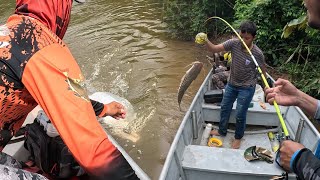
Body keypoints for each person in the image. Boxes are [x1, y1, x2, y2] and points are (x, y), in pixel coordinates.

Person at [0, 0, 139, 179]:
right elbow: (93, 152)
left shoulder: (8, 32)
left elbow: (66, 96)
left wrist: (105, 109)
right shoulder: (40, 45)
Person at [205, 20, 266, 149]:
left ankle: (238, 137)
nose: (243, 40)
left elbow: (263, 71)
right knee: (225, 107)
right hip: (232, 84)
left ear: (253, 37)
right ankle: (222, 131)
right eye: (241, 36)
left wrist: (266, 88)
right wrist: (205, 40)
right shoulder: (234, 43)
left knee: (240, 114)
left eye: (247, 38)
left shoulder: (257, 54)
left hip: (247, 88)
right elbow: (215, 48)